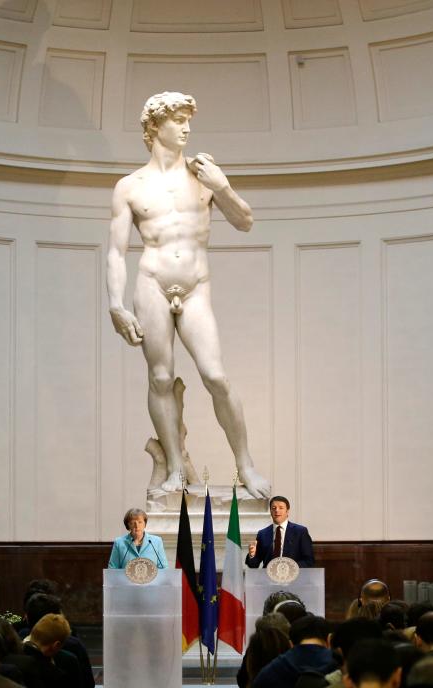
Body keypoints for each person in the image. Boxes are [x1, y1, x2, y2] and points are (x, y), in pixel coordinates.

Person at [106, 90, 270, 498]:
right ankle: (176, 467)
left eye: (187, 119)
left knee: (215, 375)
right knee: (160, 377)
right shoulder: (129, 186)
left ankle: (245, 465)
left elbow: (245, 221)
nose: (186, 127)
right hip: (151, 283)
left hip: (196, 286)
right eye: (178, 119)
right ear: (153, 127)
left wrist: (224, 187)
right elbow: (115, 250)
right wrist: (115, 304)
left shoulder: (204, 175)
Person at [246, 496, 315, 568]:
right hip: (268, 577)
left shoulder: (300, 532)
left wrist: (290, 568)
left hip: (293, 576)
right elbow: (253, 565)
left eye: (281, 508)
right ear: (270, 511)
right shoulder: (262, 534)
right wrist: (252, 555)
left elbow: (309, 561)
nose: (277, 510)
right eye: (273, 508)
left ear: (287, 511)